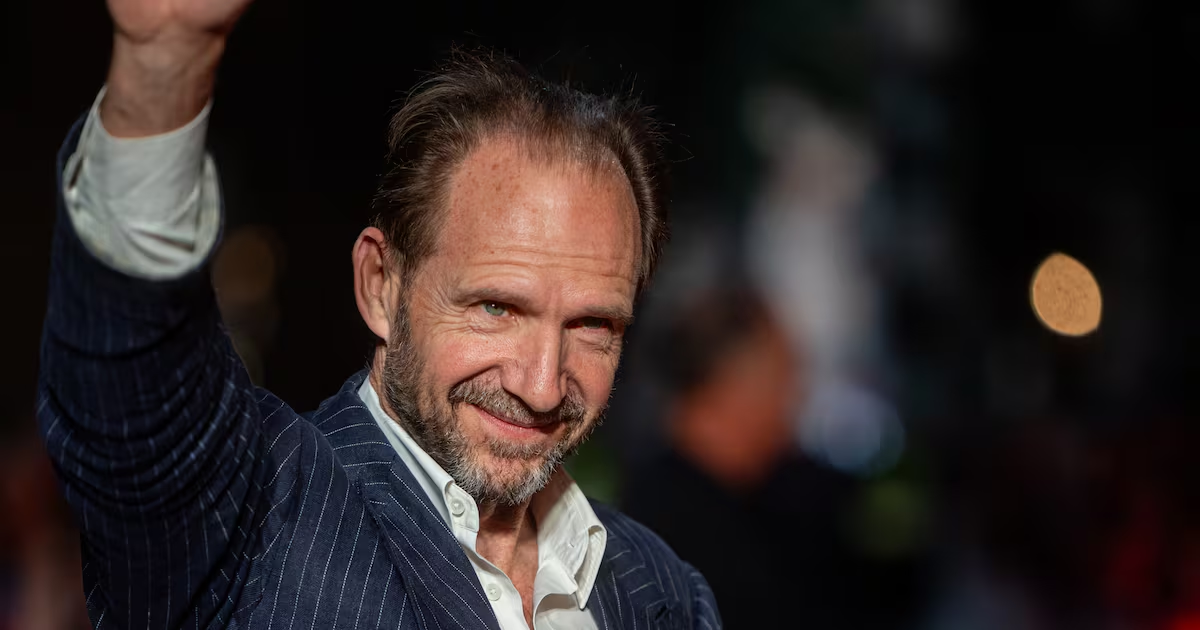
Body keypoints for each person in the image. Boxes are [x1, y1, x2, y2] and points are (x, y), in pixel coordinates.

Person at [36, 0, 721, 628]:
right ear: (380, 286)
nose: (542, 386)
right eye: (496, 307)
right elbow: (137, 404)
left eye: (593, 326)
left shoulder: (663, 591)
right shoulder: (254, 516)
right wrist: (164, 59)